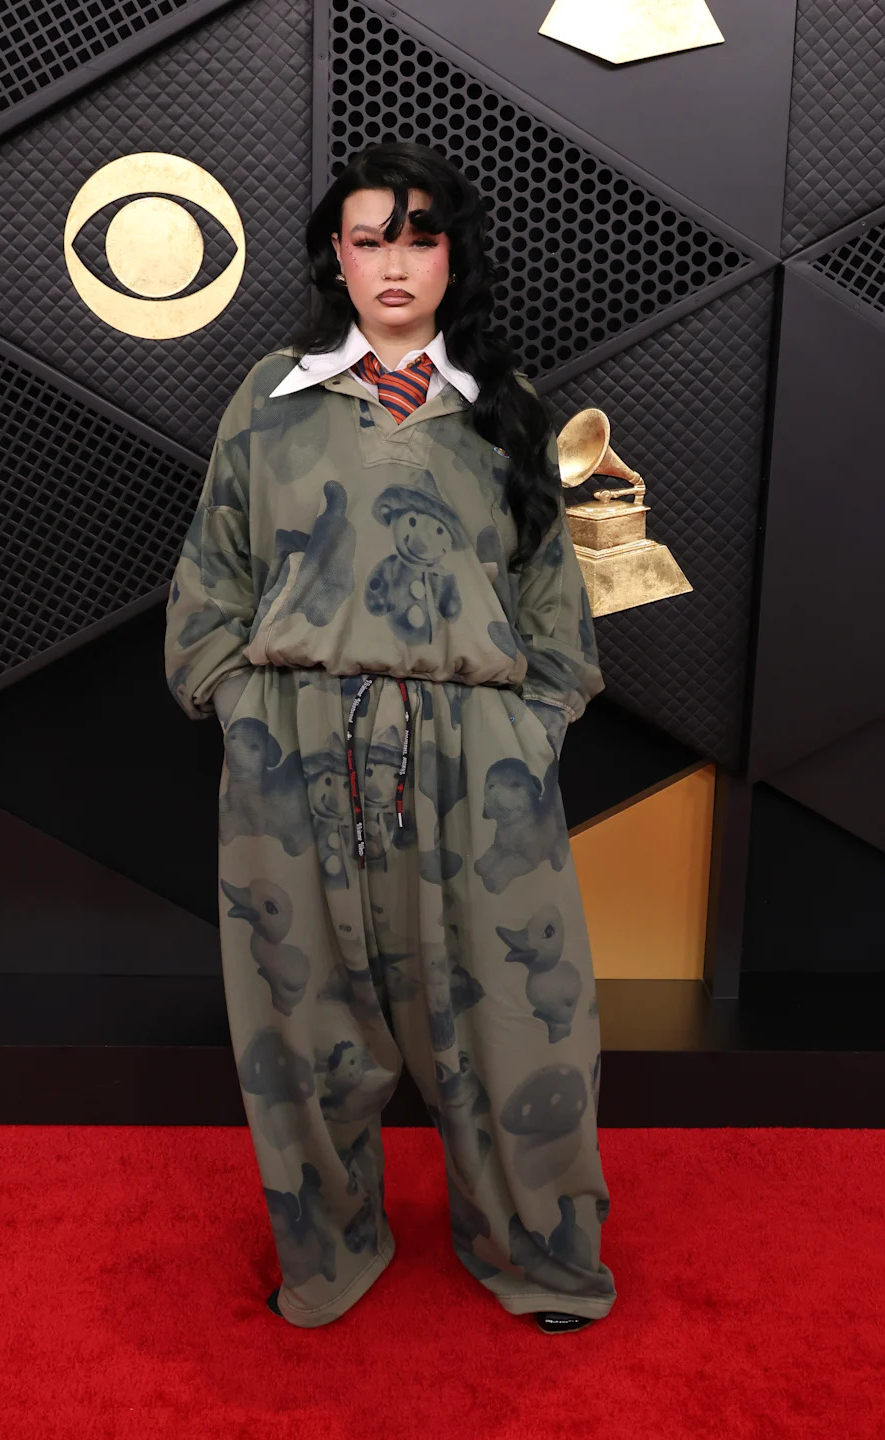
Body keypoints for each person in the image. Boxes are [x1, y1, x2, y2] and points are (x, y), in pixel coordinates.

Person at [163, 141, 616, 1333]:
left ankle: (540, 1252)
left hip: (477, 764)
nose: (394, 263)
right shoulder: (273, 399)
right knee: (302, 1026)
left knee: (518, 1027)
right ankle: (332, 1250)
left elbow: (553, 605)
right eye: (370, 239)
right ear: (338, 257)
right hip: (297, 754)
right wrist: (243, 709)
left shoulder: (506, 411)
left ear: (450, 257)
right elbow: (211, 576)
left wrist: (529, 731)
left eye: (418, 238)